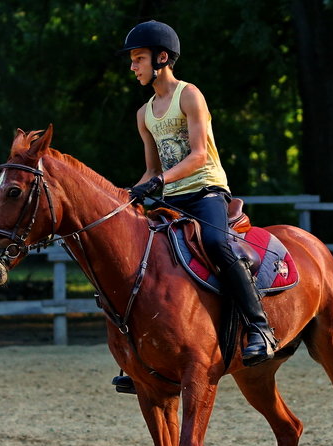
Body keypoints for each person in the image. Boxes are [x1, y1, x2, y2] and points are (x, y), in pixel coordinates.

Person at [119, 20, 277, 370]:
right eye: (132, 60)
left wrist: (158, 182)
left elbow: (199, 155)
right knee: (140, 257)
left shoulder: (189, 95)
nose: (132, 66)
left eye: (138, 58)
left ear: (162, 58)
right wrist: (130, 194)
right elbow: (151, 168)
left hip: (205, 191)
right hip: (169, 197)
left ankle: (259, 327)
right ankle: (140, 355)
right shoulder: (144, 114)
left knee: (218, 245)